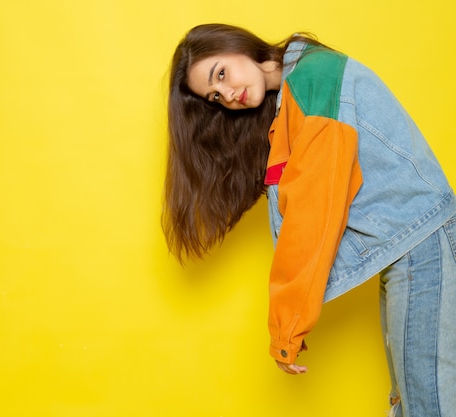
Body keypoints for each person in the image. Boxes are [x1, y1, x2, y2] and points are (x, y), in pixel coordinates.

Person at [162, 23, 456, 417]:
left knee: (428, 405)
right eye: (215, 96)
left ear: (235, 46)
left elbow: (315, 209)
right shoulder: (295, 94)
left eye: (221, 73)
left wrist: (287, 326)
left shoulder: (314, 79)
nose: (228, 94)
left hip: (422, 249)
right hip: (412, 249)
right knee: (411, 400)